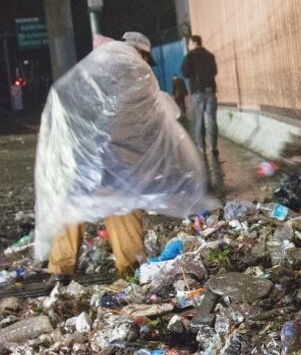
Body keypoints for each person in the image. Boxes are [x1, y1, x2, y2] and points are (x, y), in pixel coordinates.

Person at [33, 31, 214, 280]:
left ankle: (60, 268)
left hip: (78, 151)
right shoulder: (132, 67)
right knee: (122, 203)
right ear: (142, 52)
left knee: (74, 203)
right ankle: (129, 268)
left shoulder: (97, 62)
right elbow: (138, 112)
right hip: (109, 152)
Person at [180, 35, 218, 156]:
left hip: (198, 91)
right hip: (210, 90)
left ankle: (202, 147)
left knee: (200, 119)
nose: (188, 46)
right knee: (212, 119)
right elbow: (215, 71)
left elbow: (185, 73)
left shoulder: (190, 56)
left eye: (189, 43)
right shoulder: (210, 55)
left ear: (194, 43)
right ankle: (214, 146)